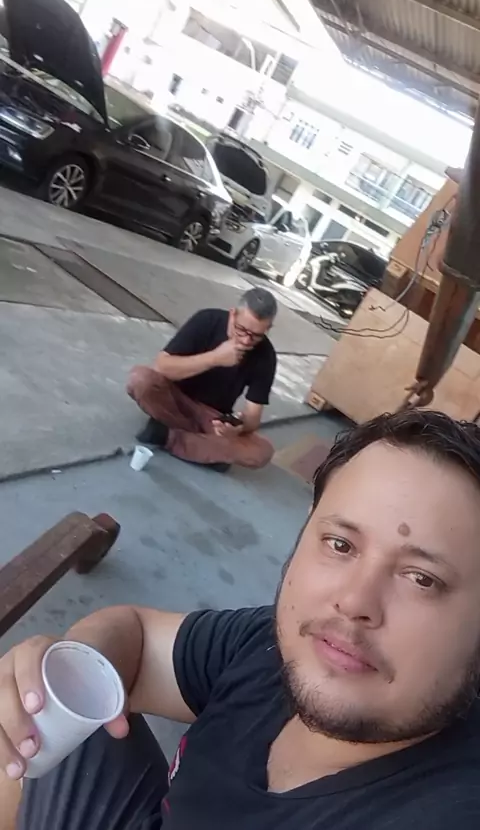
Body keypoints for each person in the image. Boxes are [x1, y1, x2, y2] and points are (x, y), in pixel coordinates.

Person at [3, 409, 480, 829]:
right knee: (27, 720)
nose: (355, 601)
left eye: (422, 579)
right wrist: (68, 672)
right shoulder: (288, 644)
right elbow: (140, 638)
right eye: (340, 544)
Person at [127, 287, 278, 472]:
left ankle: (166, 435)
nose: (246, 341)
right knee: (140, 379)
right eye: (242, 330)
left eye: (256, 336)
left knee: (262, 452)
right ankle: (209, 451)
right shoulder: (207, 320)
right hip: (173, 399)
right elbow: (162, 366)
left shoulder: (266, 355)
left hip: (213, 418)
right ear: (233, 315)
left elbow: (253, 417)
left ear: (267, 329)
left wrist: (238, 428)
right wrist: (215, 358)